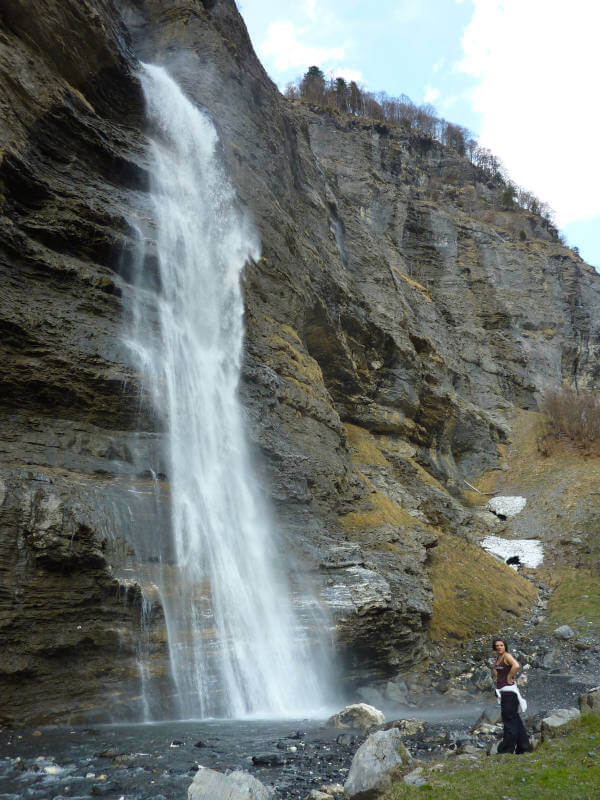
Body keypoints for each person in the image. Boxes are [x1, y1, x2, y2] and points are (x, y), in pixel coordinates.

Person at [492, 637, 530, 754]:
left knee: (509, 721)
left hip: (509, 692)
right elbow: (496, 670)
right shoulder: (499, 657)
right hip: (505, 691)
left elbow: (516, 666)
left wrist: (509, 677)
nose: (499, 647)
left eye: (501, 645)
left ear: (505, 646)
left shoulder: (507, 656)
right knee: (516, 720)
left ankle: (506, 749)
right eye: (497, 646)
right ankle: (524, 747)